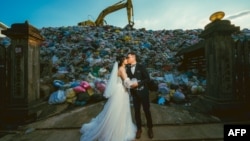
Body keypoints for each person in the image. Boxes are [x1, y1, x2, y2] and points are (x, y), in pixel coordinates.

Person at [80, 55, 136, 141]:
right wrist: (136, 83)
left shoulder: (119, 68)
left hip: (118, 90)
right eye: (125, 59)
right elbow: (127, 82)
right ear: (122, 61)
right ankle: (116, 131)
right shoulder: (122, 69)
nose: (127, 60)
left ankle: (113, 127)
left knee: (116, 109)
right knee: (119, 110)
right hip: (121, 91)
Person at [126, 52, 154, 139]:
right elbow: (128, 80)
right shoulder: (128, 69)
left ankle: (150, 128)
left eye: (129, 57)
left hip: (143, 93)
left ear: (134, 57)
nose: (127, 59)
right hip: (134, 94)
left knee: (146, 111)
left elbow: (147, 79)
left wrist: (139, 84)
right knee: (136, 112)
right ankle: (139, 129)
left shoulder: (141, 66)